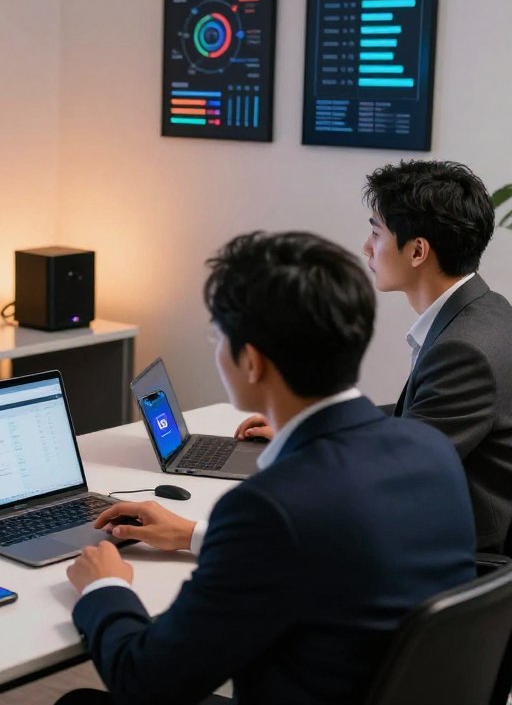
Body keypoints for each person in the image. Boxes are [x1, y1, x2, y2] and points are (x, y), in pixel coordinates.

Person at [62, 232, 476, 705]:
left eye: (218, 337)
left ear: (252, 361)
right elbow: (326, 555)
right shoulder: (429, 449)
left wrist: (104, 586)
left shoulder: (269, 507)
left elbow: (145, 680)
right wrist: (196, 535)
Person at [237, 161, 512, 554]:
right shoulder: (488, 310)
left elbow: (393, 472)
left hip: (452, 555)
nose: (366, 247)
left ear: (418, 251)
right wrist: (311, 421)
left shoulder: (465, 349)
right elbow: (415, 418)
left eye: (376, 231)